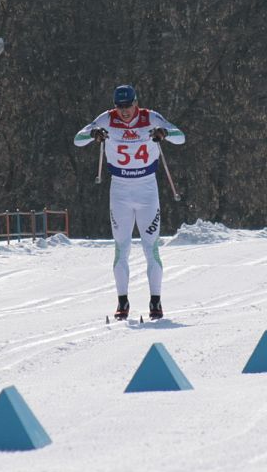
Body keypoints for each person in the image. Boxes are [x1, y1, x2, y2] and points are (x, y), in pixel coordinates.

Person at [74, 85, 185, 320]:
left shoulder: (150, 117)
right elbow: (78, 139)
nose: (124, 111)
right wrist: (95, 134)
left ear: (136, 102)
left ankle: (156, 301)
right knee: (121, 248)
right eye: (120, 107)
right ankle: (122, 302)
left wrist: (163, 133)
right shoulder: (107, 118)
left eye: (128, 106)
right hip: (120, 190)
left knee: (150, 248)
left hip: (147, 189)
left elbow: (181, 137)